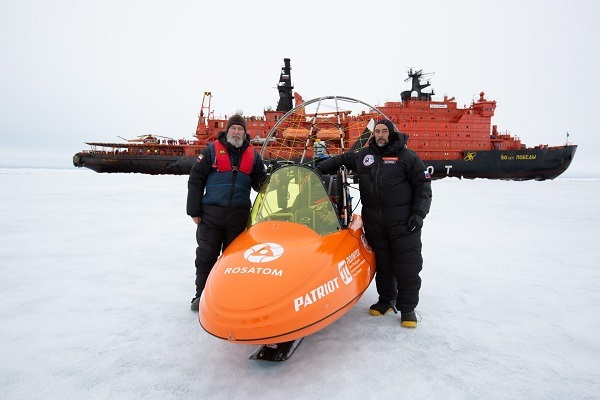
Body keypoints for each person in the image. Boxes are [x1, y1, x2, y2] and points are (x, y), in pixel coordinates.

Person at [317, 119, 432, 328]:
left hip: (403, 223)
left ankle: (407, 309)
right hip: (375, 223)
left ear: (392, 134)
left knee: (407, 266)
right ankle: (386, 300)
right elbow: (345, 158)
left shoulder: (408, 157)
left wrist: (419, 214)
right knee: (383, 264)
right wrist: (320, 167)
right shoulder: (365, 155)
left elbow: (423, 187)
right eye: (377, 131)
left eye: (384, 131)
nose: (380, 135)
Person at [187, 114, 267, 311]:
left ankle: (230, 296)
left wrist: (273, 181)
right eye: (234, 129)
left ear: (245, 133)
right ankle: (202, 295)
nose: (237, 132)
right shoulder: (211, 151)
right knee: (206, 255)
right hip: (211, 215)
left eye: (240, 129)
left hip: (238, 217)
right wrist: (194, 211)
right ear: (227, 130)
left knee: (235, 261)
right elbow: (196, 179)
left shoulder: (253, 156)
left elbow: (260, 184)